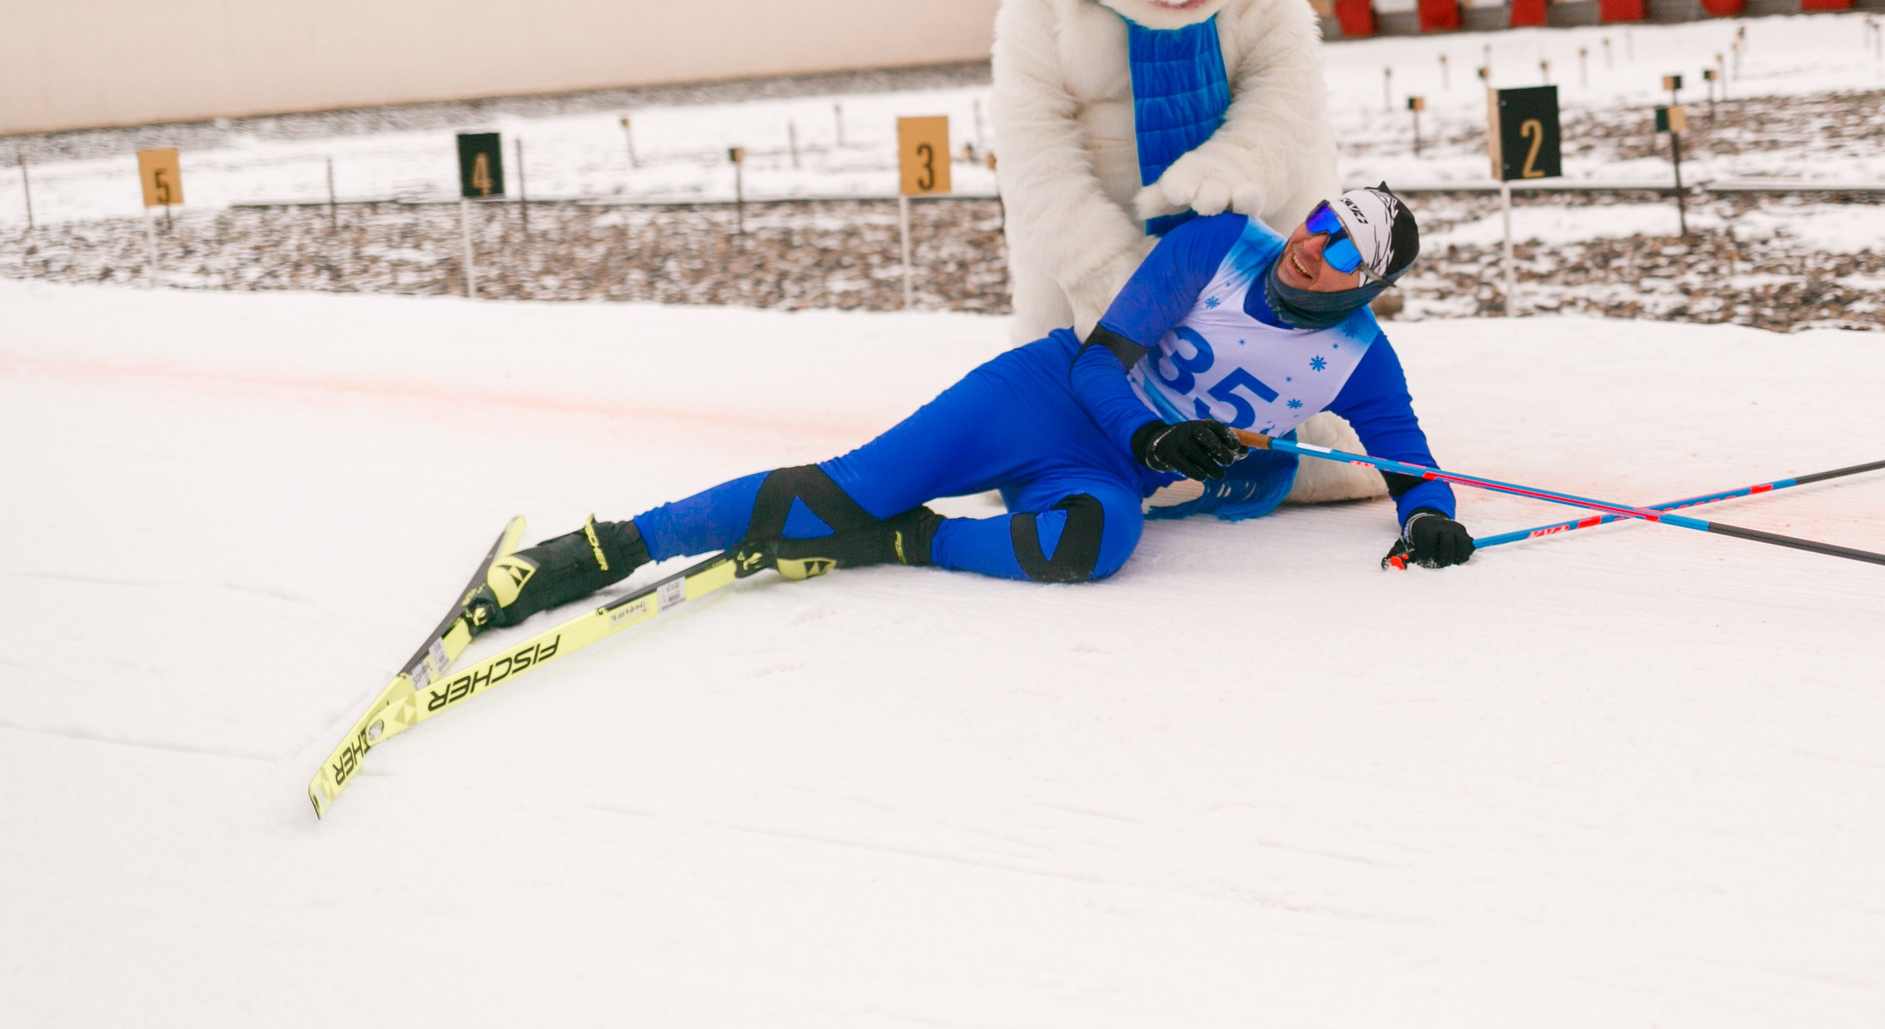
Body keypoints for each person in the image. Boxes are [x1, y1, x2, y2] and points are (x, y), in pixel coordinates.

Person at [461, 187, 1473, 632]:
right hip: (1035, 403)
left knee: (1090, 546)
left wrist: (1427, 515)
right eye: (1317, 221)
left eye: (1342, 247)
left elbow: (1407, 457)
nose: (1311, 246)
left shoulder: (1357, 360)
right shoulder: (1213, 251)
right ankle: (600, 549)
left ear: (1366, 280)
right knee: (838, 492)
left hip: (1103, 475)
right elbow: (1092, 369)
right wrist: (1158, 433)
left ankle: (905, 546)